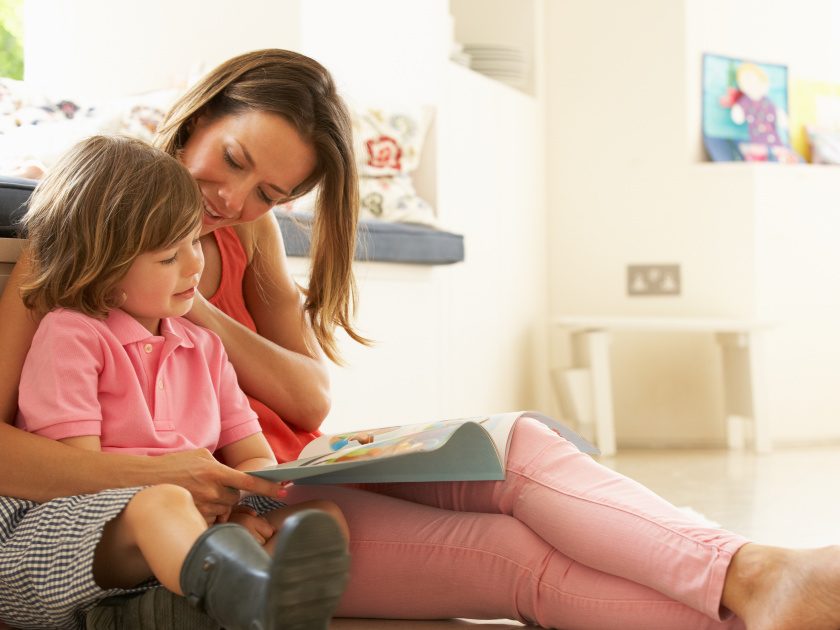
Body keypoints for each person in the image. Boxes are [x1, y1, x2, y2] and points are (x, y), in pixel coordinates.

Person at [2, 48, 840, 630]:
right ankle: (765, 593)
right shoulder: (86, 234)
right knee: (513, 556)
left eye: (270, 190)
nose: (231, 200)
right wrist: (194, 479)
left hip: (273, 478)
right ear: (199, 114)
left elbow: (309, 396)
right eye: (232, 159)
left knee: (516, 447)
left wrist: (200, 314)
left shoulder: (238, 242)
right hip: (212, 507)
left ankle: (759, 573)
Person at [0, 135, 350, 630]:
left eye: (193, 241)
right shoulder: (72, 334)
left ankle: (208, 599)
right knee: (160, 505)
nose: (195, 264)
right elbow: (79, 476)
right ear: (102, 269)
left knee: (321, 515)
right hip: (75, 528)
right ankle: (245, 596)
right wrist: (181, 494)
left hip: (192, 524)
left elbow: (252, 454)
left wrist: (242, 503)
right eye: (169, 257)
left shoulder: (205, 346)